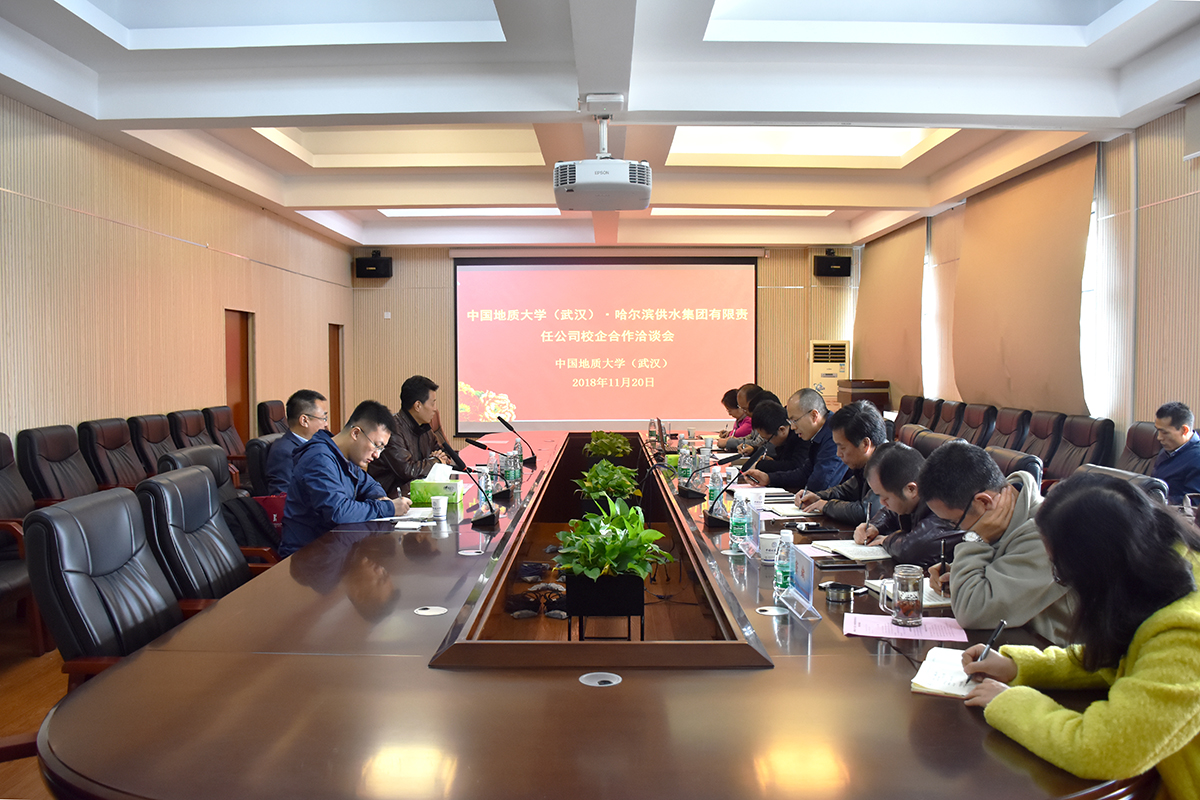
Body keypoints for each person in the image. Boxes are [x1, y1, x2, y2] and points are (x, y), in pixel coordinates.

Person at [962, 473, 1200, 800]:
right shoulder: (1159, 572)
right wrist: (1019, 667)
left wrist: (1009, 702)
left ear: (1098, 570)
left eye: (1061, 572)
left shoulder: (1185, 632)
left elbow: (1102, 749)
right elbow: (1121, 661)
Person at [920, 440, 1074, 644]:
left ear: (984, 501)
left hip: (1051, 652)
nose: (958, 529)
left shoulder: (1045, 535)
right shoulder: (1005, 522)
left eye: (954, 522)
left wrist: (976, 540)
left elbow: (972, 613)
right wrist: (957, 575)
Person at [280, 400, 411, 558]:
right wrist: (387, 507)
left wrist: (379, 498)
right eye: (376, 445)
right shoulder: (319, 459)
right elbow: (338, 512)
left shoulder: (344, 457)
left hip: (335, 549)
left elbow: (371, 485)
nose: (377, 455)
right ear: (355, 433)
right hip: (307, 556)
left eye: (381, 449)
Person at [853, 441, 961, 569]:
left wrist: (886, 540)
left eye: (885, 497)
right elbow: (890, 512)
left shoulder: (943, 502)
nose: (882, 503)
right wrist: (874, 526)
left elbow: (911, 549)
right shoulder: (919, 492)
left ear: (911, 489)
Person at [795, 400, 887, 524]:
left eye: (842, 447)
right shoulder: (867, 463)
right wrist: (819, 497)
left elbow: (866, 512)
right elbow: (847, 490)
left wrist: (826, 506)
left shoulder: (887, 465)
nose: (838, 454)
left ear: (865, 444)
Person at [368, 375, 452, 497]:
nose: (435, 409)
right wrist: (436, 461)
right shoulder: (392, 430)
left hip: (418, 493)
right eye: (433, 403)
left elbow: (443, 453)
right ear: (418, 406)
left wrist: (438, 458)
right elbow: (408, 470)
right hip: (390, 498)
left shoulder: (424, 428)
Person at [265, 389, 329, 495]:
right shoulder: (284, 452)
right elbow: (282, 496)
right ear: (304, 421)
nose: (326, 424)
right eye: (324, 418)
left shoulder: (319, 443)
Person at [785, 388, 848, 492]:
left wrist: (805, 495)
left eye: (795, 420)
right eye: (790, 422)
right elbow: (805, 473)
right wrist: (769, 478)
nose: (792, 427)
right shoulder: (818, 433)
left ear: (814, 415)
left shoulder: (834, 433)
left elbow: (822, 484)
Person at [738, 401, 809, 490]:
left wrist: (762, 465)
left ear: (782, 430)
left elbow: (794, 466)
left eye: (768, 439)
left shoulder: (801, 437)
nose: (768, 443)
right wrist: (774, 461)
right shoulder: (787, 437)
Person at [1153, 401, 1200, 502]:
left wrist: (1153, 500)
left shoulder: (1197, 458)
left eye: (1165, 432)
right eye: (1158, 430)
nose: (1159, 437)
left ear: (1184, 430)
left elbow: (1192, 502)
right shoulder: (1167, 450)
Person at [718, 383, 762, 452]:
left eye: (744, 408)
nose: (745, 412)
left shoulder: (755, 419)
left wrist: (728, 442)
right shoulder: (754, 418)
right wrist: (734, 439)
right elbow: (751, 437)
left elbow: (757, 443)